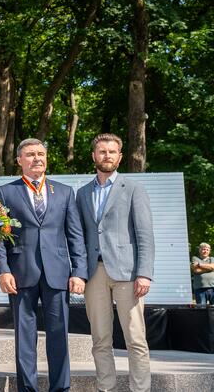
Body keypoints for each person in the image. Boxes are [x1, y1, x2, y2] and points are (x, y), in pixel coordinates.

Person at [0, 138, 87, 392]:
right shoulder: (6, 192)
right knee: (25, 338)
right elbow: (0, 237)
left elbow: (75, 235)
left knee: (59, 335)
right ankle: (27, 388)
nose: (37, 158)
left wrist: (79, 272)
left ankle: (60, 388)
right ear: (19, 161)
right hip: (21, 273)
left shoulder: (65, 192)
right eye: (31, 154)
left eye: (41, 154)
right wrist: (3, 270)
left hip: (58, 274)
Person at [76, 133, 154, 392]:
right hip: (94, 273)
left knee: (135, 338)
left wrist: (144, 273)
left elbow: (144, 234)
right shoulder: (82, 193)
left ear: (119, 157)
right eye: (102, 151)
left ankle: (140, 389)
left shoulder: (133, 189)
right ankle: (105, 388)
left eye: (112, 152)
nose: (106, 156)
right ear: (93, 156)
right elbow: (81, 235)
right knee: (100, 339)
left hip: (128, 274)